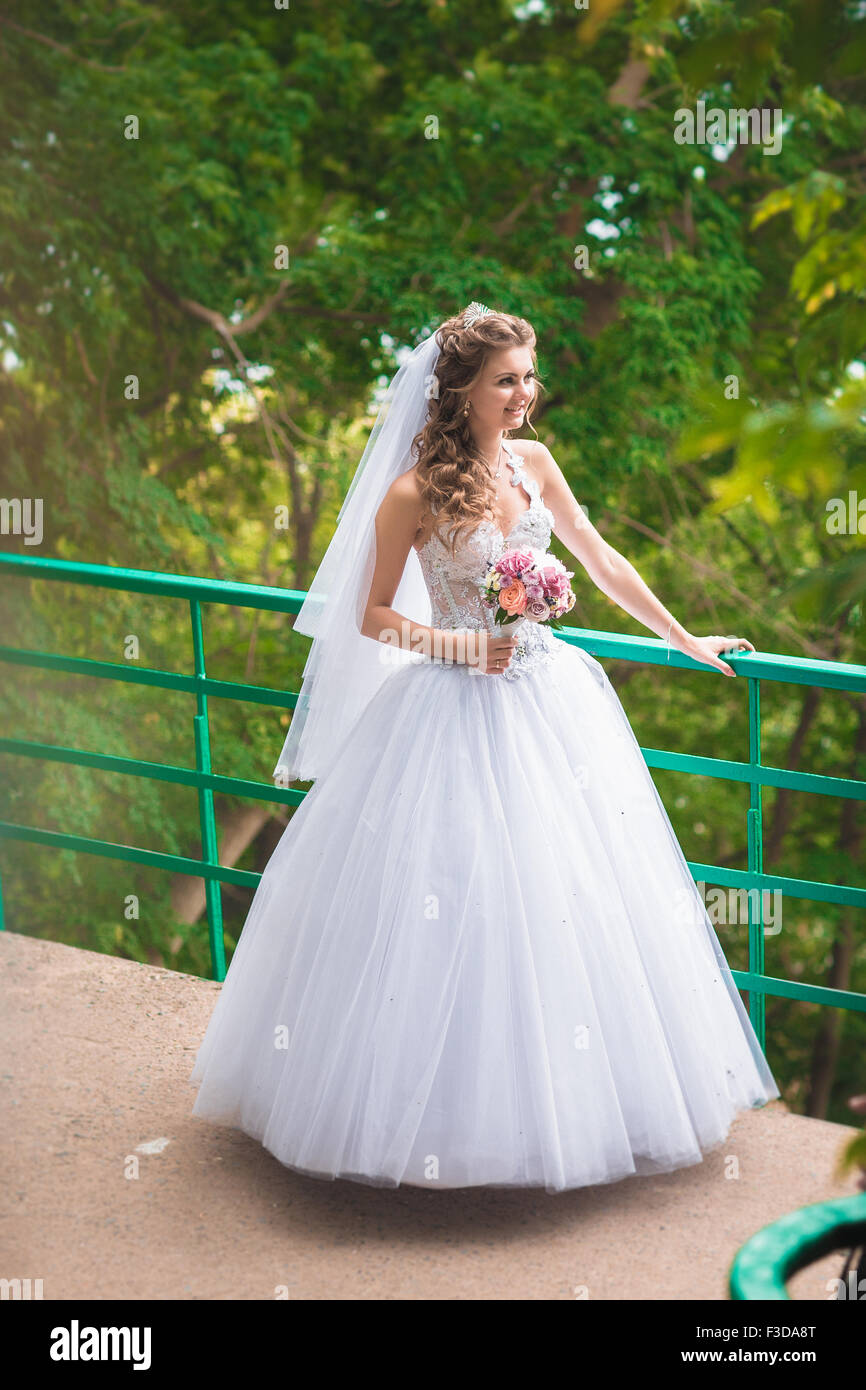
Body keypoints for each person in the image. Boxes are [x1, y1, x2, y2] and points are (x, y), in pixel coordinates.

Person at [189, 303, 780, 1194]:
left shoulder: (535, 465)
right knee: (448, 899)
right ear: (459, 389)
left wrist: (684, 638)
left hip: (550, 701)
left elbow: (601, 556)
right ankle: (433, 1121)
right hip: (449, 709)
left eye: (527, 376)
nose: (523, 393)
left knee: (564, 896)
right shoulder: (412, 491)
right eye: (505, 378)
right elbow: (374, 614)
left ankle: (568, 1110)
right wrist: (463, 644)